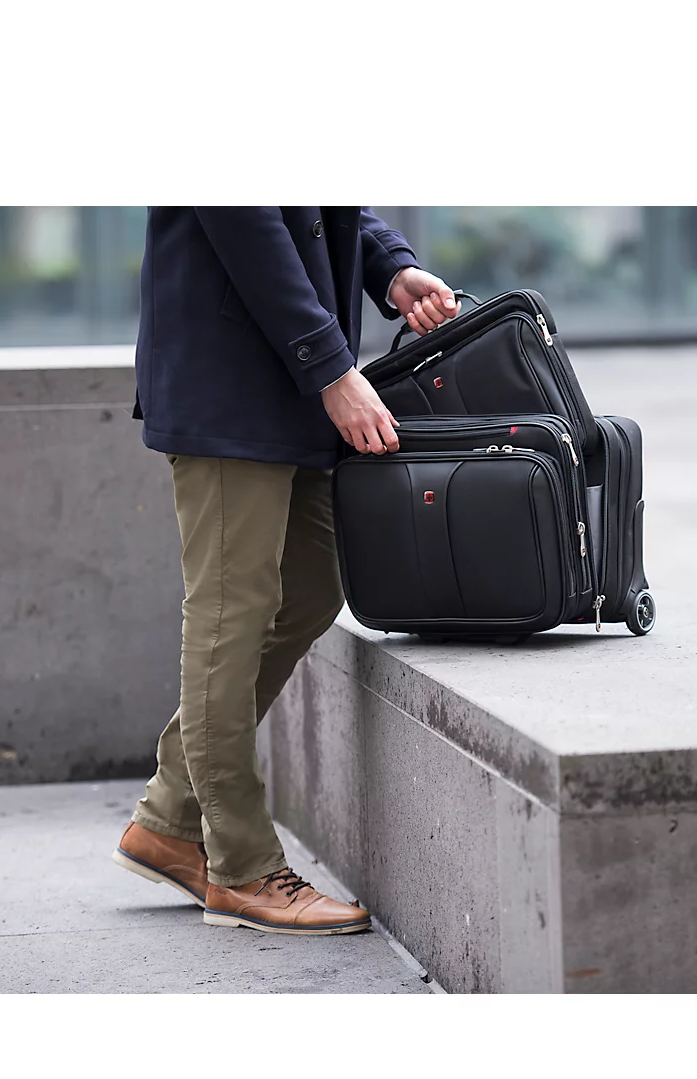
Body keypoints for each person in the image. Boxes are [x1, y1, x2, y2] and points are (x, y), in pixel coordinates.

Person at [112, 207, 459, 935]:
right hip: (229, 379)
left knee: (310, 588)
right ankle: (240, 868)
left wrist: (390, 265)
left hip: (288, 382)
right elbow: (244, 216)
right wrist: (332, 368)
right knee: (229, 617)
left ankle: (171, 817)